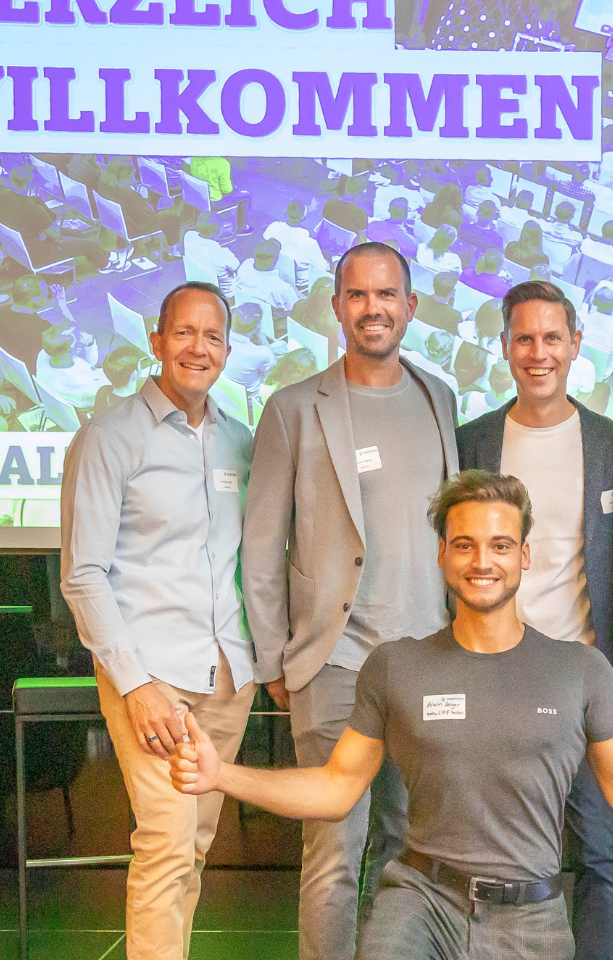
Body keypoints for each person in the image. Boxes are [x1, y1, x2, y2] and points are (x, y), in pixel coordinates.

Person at [177, 470, 613, 960]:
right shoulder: (395, 667)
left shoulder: (580, 670)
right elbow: (336, 788)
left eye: (500, 545)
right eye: (464, 544)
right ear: (442, 553)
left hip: (530, 918)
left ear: (524, 555)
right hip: (419, 904)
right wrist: (220, 775)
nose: (481, 560)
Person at [243, 242, 461, 960]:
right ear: (337, 307)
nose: (373, 308)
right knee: (335, 856)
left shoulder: (439, 398)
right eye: (358, 295)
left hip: (427, 663)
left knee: (406, 851)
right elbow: (262, 544)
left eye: (387, 294)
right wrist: (273, 656)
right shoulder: (293, 408)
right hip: (334, 664)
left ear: (410, 306)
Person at [59, 281, 259, 960]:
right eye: (183, 332)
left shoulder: (239, 442)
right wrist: (135, 684)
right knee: (167, 845)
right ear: (156, 340)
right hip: (151, 677)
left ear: (227, 350)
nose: (198, 348)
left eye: (212, 336)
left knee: (194, 848)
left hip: (227, 674)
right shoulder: (109, 437)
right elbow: (83, 573)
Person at [455, 281, 613, 960]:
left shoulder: (611, 443)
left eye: (552, 337)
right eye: (523, 338)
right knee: (485, 854)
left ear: (575, 344)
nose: (538, 352)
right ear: (503, 347)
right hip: (488, 677)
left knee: (600, 852)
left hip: (582, 680)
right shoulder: (472, 441)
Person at [36, 325, 110, 411]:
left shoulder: (43, 354)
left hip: (63, 397)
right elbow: (103, 392)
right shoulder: (82, 381)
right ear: (71, 350)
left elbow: (88, 364)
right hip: (93, 398)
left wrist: (89, 344)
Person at [264, 200, 332, 273]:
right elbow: (324, 267)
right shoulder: (310, 244)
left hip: (273, 271)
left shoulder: (273, 227)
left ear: (285, 212)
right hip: (295, 278)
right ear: (303, 218)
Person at [181, 216, 241, 289]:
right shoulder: (223, 254)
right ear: (217, 231)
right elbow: (238, 269)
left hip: (196, 285)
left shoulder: (188, 236)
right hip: (223, 291)